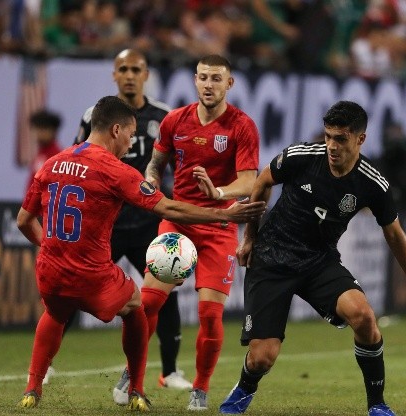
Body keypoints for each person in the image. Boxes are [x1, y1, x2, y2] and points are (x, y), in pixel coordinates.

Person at [16, 95, 266, 411]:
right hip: (91, 274)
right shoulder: (114, 170)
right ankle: (135, 388)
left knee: (54, 313)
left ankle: (31, 389)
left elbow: (23, 220)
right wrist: (224, 216)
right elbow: (170, 206)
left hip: (50, 271)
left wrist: (51, 248)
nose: (132, 141)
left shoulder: (53, 162)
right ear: (117, 130)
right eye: (132, 134)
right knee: (136, 306)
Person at [217, 100, 406, 416]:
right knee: (263, 357)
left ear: (361, 139)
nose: (331, 145)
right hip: (273, 257)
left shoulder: (373, 183)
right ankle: (244, 389)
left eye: (341, 138)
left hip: (319, 261)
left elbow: (395, 234)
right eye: (328, 136)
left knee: (364, 316)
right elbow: (262, 181)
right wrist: (250, 236)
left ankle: (378, 405)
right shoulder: (300, 157)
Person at [110, 54, 261, 411]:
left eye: (216, 79)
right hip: (177, 223)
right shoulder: (175, 120)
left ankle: (201, 387)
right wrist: (149, 181)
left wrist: (218, 193)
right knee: (148, 303)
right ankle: (133, 374)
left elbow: (249, 181)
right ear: (195, 80)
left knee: (210, 314)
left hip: (220, 225)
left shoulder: (241, 126)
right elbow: (156, 163)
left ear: (229, 84)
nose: (209, 84)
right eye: (203, 78)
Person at [74, 49, 194, 397]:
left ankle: (169, 371)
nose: (129, 75)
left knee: (165, 291)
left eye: (135, 69)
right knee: (75, 284)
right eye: (122, 69)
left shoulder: (165, 117)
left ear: (146, 74)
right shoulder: (93, 116)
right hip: (106, 224)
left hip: (148, 223)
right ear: (114, 75)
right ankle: (47, 363)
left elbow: (179, 167)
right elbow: (78, 158)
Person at [27, 109, 62, 194]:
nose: (37, 133)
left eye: (42, 129)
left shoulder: (57, 156)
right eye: (35, 129)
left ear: (53, 131)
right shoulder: (40, 153)